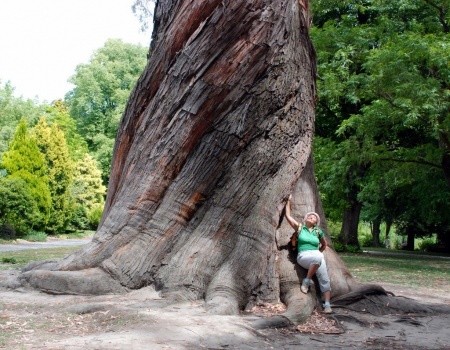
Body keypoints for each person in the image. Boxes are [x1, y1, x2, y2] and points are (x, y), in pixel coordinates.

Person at [285, 195, 332, 313]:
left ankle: (327, 304)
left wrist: (319, 252)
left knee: (325, 280)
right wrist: (288, 201)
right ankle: (306, 281)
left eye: (314, 217)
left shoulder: (318, 231)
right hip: (303, 256)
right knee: (318, 257)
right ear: (305, 219)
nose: (312, 217)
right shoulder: (300, 228)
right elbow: (288, 216)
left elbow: (324, 244)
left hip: (317, 256)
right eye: (310, 216)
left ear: (316, 222)